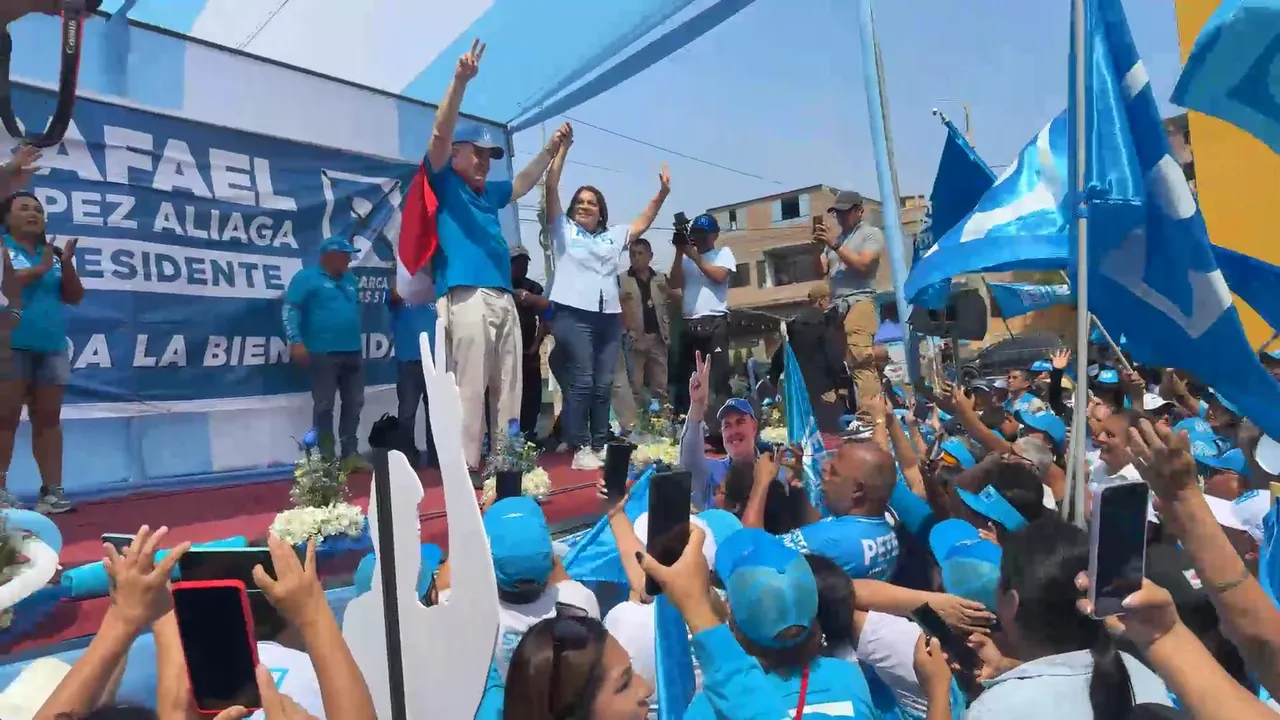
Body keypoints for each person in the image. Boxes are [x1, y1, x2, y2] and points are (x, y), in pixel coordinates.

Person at [425, 40, 563, 474]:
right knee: (468, 387)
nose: (485, 162)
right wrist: (460, 81)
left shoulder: (489, 193)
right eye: (478, 153)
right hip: (466, 295)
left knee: (510, 387)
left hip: (503, 297)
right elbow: (440, 134)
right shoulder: (444, 181)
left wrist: (550, 151)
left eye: (490, 156)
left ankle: (506, 468)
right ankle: (466, 470)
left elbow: (521, 184)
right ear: (457, 155)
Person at [543, 122, 669, 470]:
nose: (585, 206)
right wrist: (563, 150)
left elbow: (642, 223)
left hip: (608, 317)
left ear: (601, 210)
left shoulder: (613, 236)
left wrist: (661, 195)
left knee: (604, 382)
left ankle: (599, 444)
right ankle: (580, 445)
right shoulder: (562, 229)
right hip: (572, 315)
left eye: (592, 203)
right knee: (582, 379)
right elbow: (550, 186)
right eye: (580, 202)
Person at [0, 192, 82, 513]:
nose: (33, 213)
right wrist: (41, 267)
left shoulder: (51, 254)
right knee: (5, 418)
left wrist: (65, 263)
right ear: (7, 218)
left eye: (38, 209)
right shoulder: (3, 247)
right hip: (9, 344)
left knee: (48, 419)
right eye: (24, 208)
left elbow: (73, 296)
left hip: (51, 347)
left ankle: (52, 493)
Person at [283, 236, 366, 468]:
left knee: (355, 402)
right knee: (324, 405)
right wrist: (296, 341)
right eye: (345, 255)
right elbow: (290, 310)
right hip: (323, 353)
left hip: (353, 351)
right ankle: (326, 456)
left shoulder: (351, 279)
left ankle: (350, 454)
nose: (349, 260)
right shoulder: (306, 278)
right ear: (330, 256)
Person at [815, 190, 884, 425]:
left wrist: (834, 245)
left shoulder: (871, 234)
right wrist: (818, 249)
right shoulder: (836, 240)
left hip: (860, 301)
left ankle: (869, 420)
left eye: (845, 212)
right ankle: (850, 414)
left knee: (860, 358)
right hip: (837, 306)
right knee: (838, 362)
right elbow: (821, 271)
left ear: (859, 211)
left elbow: (864, 265)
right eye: (838, 213)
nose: (841, 217)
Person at [670, 213, 736, 431]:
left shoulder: (723, 253)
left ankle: (723, 422)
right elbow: (674, 283)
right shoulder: (686, 259)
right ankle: (689, 423)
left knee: (718, 377)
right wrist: (680, 252)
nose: (701, 238)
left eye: (705, 234)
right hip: (691, 324)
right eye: (697, 234)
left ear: (715, 235)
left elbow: (719, 276)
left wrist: (695, 257)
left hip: (715, 323)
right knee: (690, 379)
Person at [768, 284, 851, 433]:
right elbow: (833, 356)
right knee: (829, 433)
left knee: (805, 433)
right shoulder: (825, 323)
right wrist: (842, 384)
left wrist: (774, 380)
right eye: (828, 299)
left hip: (798, 390)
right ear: (821, 300)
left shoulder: (794, 325)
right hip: (824, 391)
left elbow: (780, 355)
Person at [619, 237, 675, 404]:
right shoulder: (622, 280)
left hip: (657, 337)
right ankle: (637, 418)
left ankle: (661, 417)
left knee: (660, 384)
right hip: (634, 339)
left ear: (650, 256)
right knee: (635, 386)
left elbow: (676, 298)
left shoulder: (660, 278)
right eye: (633, 254)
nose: (636, 258)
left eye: (640, 254)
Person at [389, 278, 438, 469]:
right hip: (409, 360)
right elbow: (393, 295)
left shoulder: (436, 289)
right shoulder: (401, 289)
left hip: (435, 361)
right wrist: (406, 276)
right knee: (407, 412)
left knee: (435, 412)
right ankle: (406, 457)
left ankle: (435, 455)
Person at [511, 245, 549, 443]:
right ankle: (508, 437)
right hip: (507, 351)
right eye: (517, 263)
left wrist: (535, 346)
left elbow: (546, 317)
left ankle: (529, 434)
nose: (522, 267)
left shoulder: (534, 288)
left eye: (525, 263)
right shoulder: (501, 287)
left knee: (532, 394)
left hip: (529, 349)